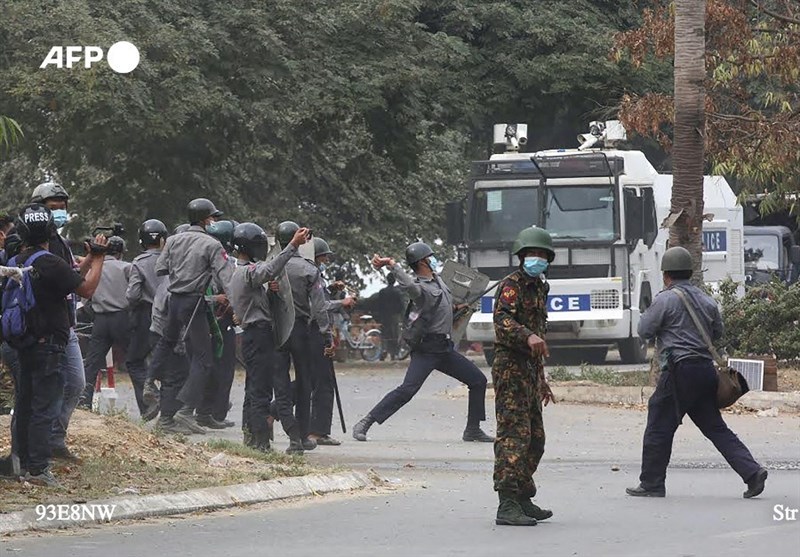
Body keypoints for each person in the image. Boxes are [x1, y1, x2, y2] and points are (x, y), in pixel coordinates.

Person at [627, 246, 768, 499]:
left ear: (666, 274)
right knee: (715, 427)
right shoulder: (706, 300)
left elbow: (644, 330)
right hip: (705, 371)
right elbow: (717, 333)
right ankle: (752, 472)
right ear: (690, 273)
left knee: (659, 425)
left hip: (680, 371)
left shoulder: (664, 299)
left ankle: (651, 483)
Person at [352, 242, 493, 443]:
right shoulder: (419, 288)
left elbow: (443, 307)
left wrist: (460, 307)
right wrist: (391, 264)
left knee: (478, 381)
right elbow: (408, 285)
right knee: (407, 390)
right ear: (422, 261)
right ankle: (366, 422)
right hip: (426, 349)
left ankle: (473, 429)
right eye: (430, 256)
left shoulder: (439, 282)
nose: (434, 259)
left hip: (444, 348)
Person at [6, 204, 107, 486]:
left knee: (26, 403)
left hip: (24, 342)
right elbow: (86, 288)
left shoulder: (19, 259)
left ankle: (22, 464)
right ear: (51, 230)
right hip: (48, 344)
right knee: (45, 406)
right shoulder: (49, 262)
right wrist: (99, 259)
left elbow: (70, 278)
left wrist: (87, 260)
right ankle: (39, 469)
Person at [148, 198, 233, 434]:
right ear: (206, 220)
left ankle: (149, 381)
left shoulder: (173, 240)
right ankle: (185, 411)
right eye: (213, 217)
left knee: (166, 343)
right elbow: (227, 281)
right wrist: (237, 308)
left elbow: (160, 269)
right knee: (204, 359)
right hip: (194, 302)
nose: (214, 221)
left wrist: (181, 270)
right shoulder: (212, 244)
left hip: (173, 300)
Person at [492, 226, 556, 526]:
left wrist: (541, 380)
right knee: (513, 436)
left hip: (530, 370)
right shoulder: (511, 285)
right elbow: (502, 320)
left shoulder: (540, 287)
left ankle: (521, 496)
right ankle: (507, 502)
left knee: (536, 439)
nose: (536, 258)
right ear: (521, 256)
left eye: (541, 254)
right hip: (510, 366)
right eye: (531, 253)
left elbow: (539, 337)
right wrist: (527, 336)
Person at [228, 222, 309, 453]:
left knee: (255, 388)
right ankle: (261, 443)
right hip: (257, 335)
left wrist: (270, 290)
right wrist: (292, 245)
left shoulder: (241, 273)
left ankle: (253, 439)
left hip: (254, 336)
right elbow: (270, 269)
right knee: (260, 392)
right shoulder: (246, 272)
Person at [30, 181, 88, 462]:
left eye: (62, 208)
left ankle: (55, 438)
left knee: (76, 383)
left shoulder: (61, 243)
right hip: (46, 327)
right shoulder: (33, 243)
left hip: (67, 324)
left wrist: (92, 259)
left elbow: (73, 278)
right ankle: (40, 447)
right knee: (46, 389)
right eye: (53, 209)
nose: (59, 213)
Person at [274, 221, 325, 451]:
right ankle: (302, 436)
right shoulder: (309, 269)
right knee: (305, 383)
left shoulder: (271, 266)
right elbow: (320, 307)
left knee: (281, 384)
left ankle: (291, 432)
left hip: (276, 330)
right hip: (301, 330)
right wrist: (326, 335)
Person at [308, 237, 355, 446]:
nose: (327, 259)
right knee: (322, 383)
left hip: (316, 332)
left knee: (314, 381)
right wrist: (341, 302)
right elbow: (318, 307)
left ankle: (317, 429)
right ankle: (317, 431)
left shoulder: (316, 274)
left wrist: (332, 289)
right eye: (324, 256)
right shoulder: (312, 273)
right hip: (316, 332)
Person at [80, 236, 133, 410]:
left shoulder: (94, 269)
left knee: (92, 363)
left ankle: (84, 401)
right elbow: (135, 292)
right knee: (135, 360)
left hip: (100, 320)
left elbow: (85, 298)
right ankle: (148, 404)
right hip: (121, 317)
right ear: (120, 252)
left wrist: (94, 313)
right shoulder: (126, 267)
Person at [126, 219, 169, 420]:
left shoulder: (139, 263)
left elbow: (133, 295)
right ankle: (170, 412)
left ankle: (149, 404)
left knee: (135, 361)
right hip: (171, 313)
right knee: (169, 361)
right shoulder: (172, 260)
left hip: (146, 315)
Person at [198, 219, 238, 429]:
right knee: (219, 370)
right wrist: (220, 300)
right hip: (216, 322)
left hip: (217, 320)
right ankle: (211, 412)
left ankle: (215, 410)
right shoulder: (223, 261)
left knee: (221, 369)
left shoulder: (206, 258)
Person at [375, 272, 406, 360]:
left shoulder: (382, 292)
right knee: (394, 335)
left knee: (385, 335)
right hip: (394, 316)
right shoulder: (398, 292)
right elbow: (401, 305)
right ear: (394, 280)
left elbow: (379, 305)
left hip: (384, 316)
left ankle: (384, 352)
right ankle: (393, 354)